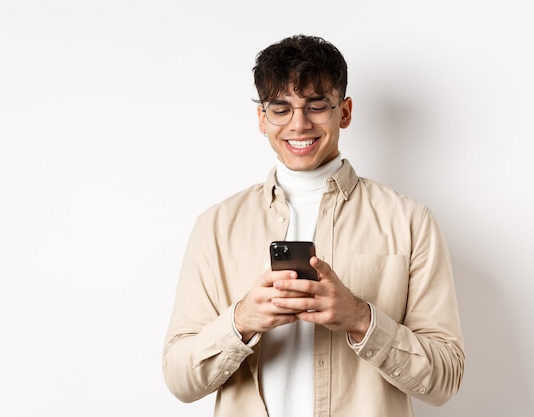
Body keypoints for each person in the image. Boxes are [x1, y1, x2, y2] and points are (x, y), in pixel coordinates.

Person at [162, 34, 464, 417]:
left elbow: (446, 379)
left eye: (317, 106)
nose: (299, 124)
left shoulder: (409, 221)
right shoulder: (217, 226)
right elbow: (178, 378)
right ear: (262, 118)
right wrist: (241, 321)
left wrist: (360, 318)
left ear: (345, 111)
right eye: (280, 108)